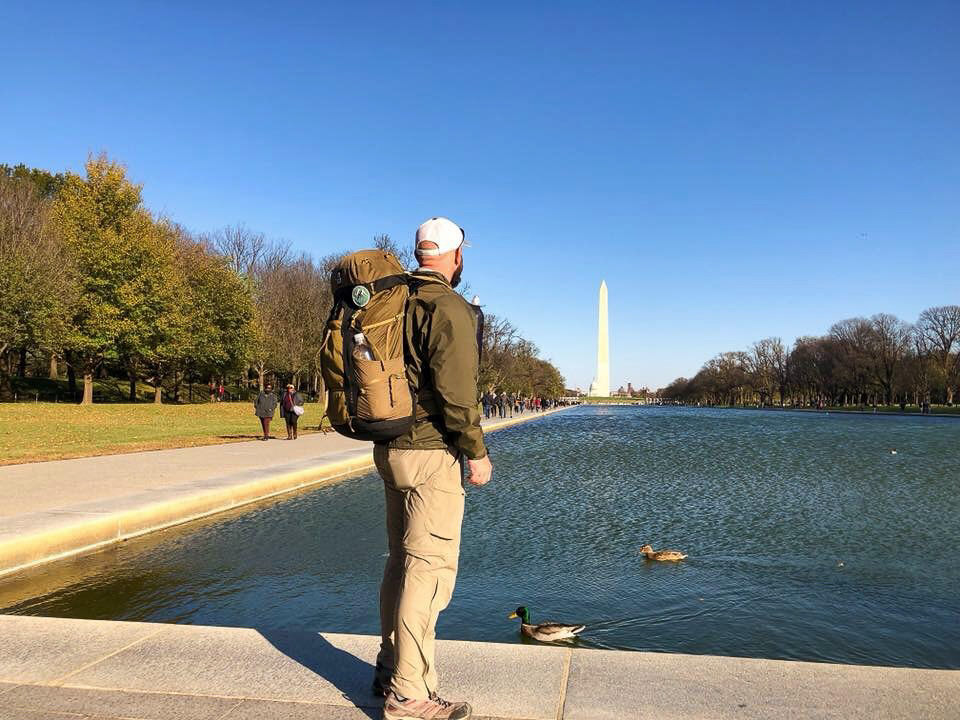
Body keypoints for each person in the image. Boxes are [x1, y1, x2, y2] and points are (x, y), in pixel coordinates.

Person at [375, 216, 493, 720]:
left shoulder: (392, 299)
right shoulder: (449, 307)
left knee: (400, 562)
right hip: (430, 452)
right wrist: (477, 451)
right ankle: (408, 694)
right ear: (456, 255)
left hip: (389, 449)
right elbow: (457, 395)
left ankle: (389, 667)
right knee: (428, 569)